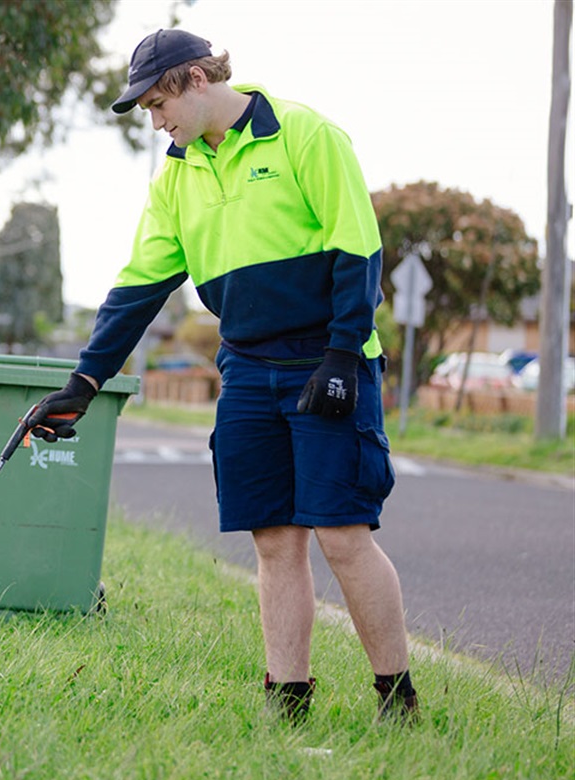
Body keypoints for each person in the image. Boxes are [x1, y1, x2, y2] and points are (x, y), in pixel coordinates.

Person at [27, 28, 418, 724]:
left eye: (158, 103)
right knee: (273, 539)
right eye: (147, 110)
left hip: (328, 362)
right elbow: (139, 289)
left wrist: (341, 355)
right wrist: (84, 384)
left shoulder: (304, 135)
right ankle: (287, 702)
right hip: (246, 368)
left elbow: (358, 248)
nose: (155, 122)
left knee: (342, 535)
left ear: (196, 79)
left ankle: (398, 700)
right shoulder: (177, 176)